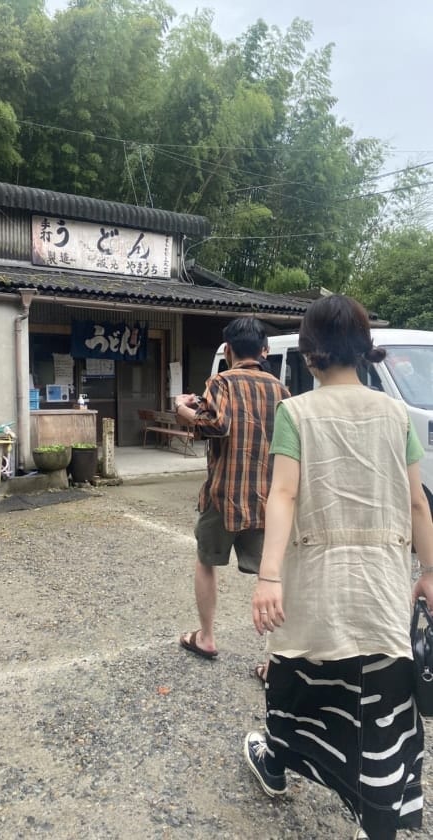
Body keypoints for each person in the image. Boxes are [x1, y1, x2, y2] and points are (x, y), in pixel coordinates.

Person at [244, 294, 433, 840]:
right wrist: (429, 570)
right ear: (364, 349)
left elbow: (283, 495)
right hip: (381, 589)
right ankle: (377, 819)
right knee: (382, 705)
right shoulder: (395, 414)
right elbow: (417, 503)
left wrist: (269, 576)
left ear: (310, 353)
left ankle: (277, 764)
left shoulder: (296, 412)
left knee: (297, 687)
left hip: (315, 589)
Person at [176, 317, 289, 659]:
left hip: (223, 494)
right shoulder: (280, 389)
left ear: (228, 350)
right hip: (267, 498)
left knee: (205, 561)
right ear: (264, 351)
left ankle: (207, 637)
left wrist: (183, 411)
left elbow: (217, 424)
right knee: (271, 574)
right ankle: (277, 657)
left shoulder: (221, 381)